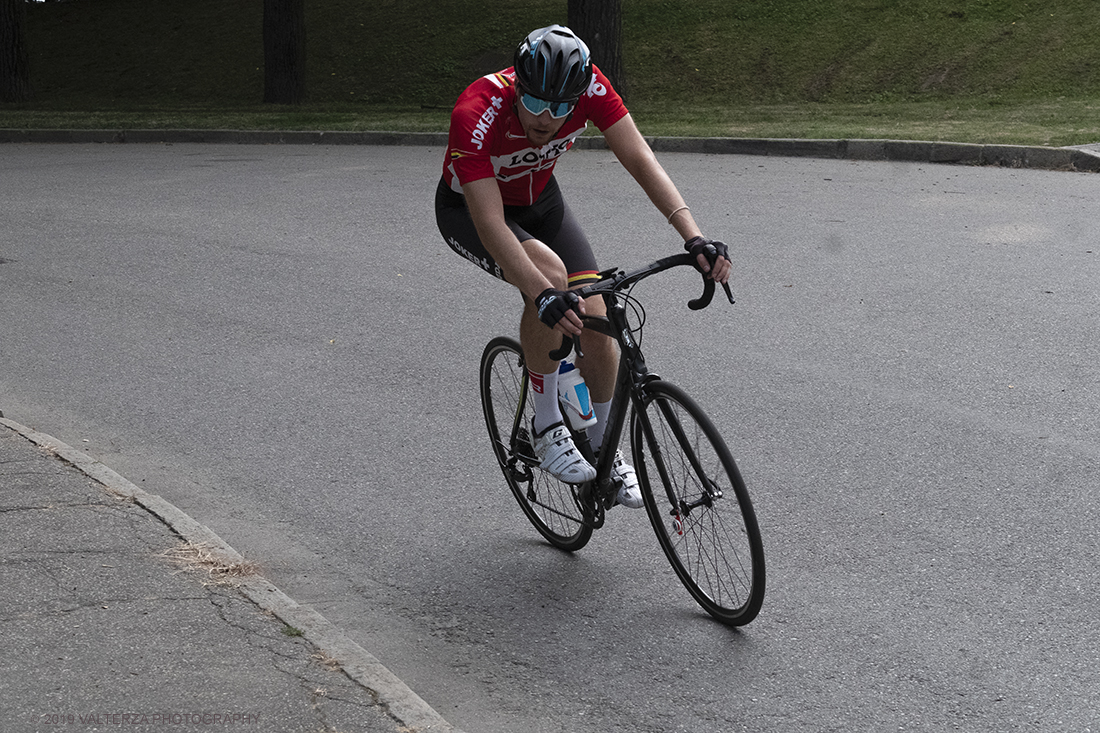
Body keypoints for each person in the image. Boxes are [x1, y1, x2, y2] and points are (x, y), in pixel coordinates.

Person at [436, 24, 730, 508]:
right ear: (518, 88)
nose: (546, 119)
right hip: (470, 210)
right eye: (534, 104)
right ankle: (547, 421)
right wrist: (542, 293)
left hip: (541, 201)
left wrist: (693, 235)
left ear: (578, 97)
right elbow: (489, 222)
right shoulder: (477, 109)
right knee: (549, 278)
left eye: (560, 108)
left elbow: (640, 158)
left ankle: (600, 446)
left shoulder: (592, 88)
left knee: (596, 309)